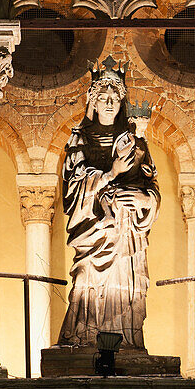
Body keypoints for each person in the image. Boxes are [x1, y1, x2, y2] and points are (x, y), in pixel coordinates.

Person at [57, 57, 159, 350]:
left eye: (115, 97)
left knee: (127, 288)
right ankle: (84, 340)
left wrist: (144, 199)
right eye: (103, 97)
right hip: (95, 228)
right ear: (93, 101)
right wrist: (110, 174)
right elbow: (73, 184)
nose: (110, 103)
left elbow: (151, 185)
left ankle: (126, 343)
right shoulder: (80, 138)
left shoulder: (133, 140)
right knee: (87, 282)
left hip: (127, 230)